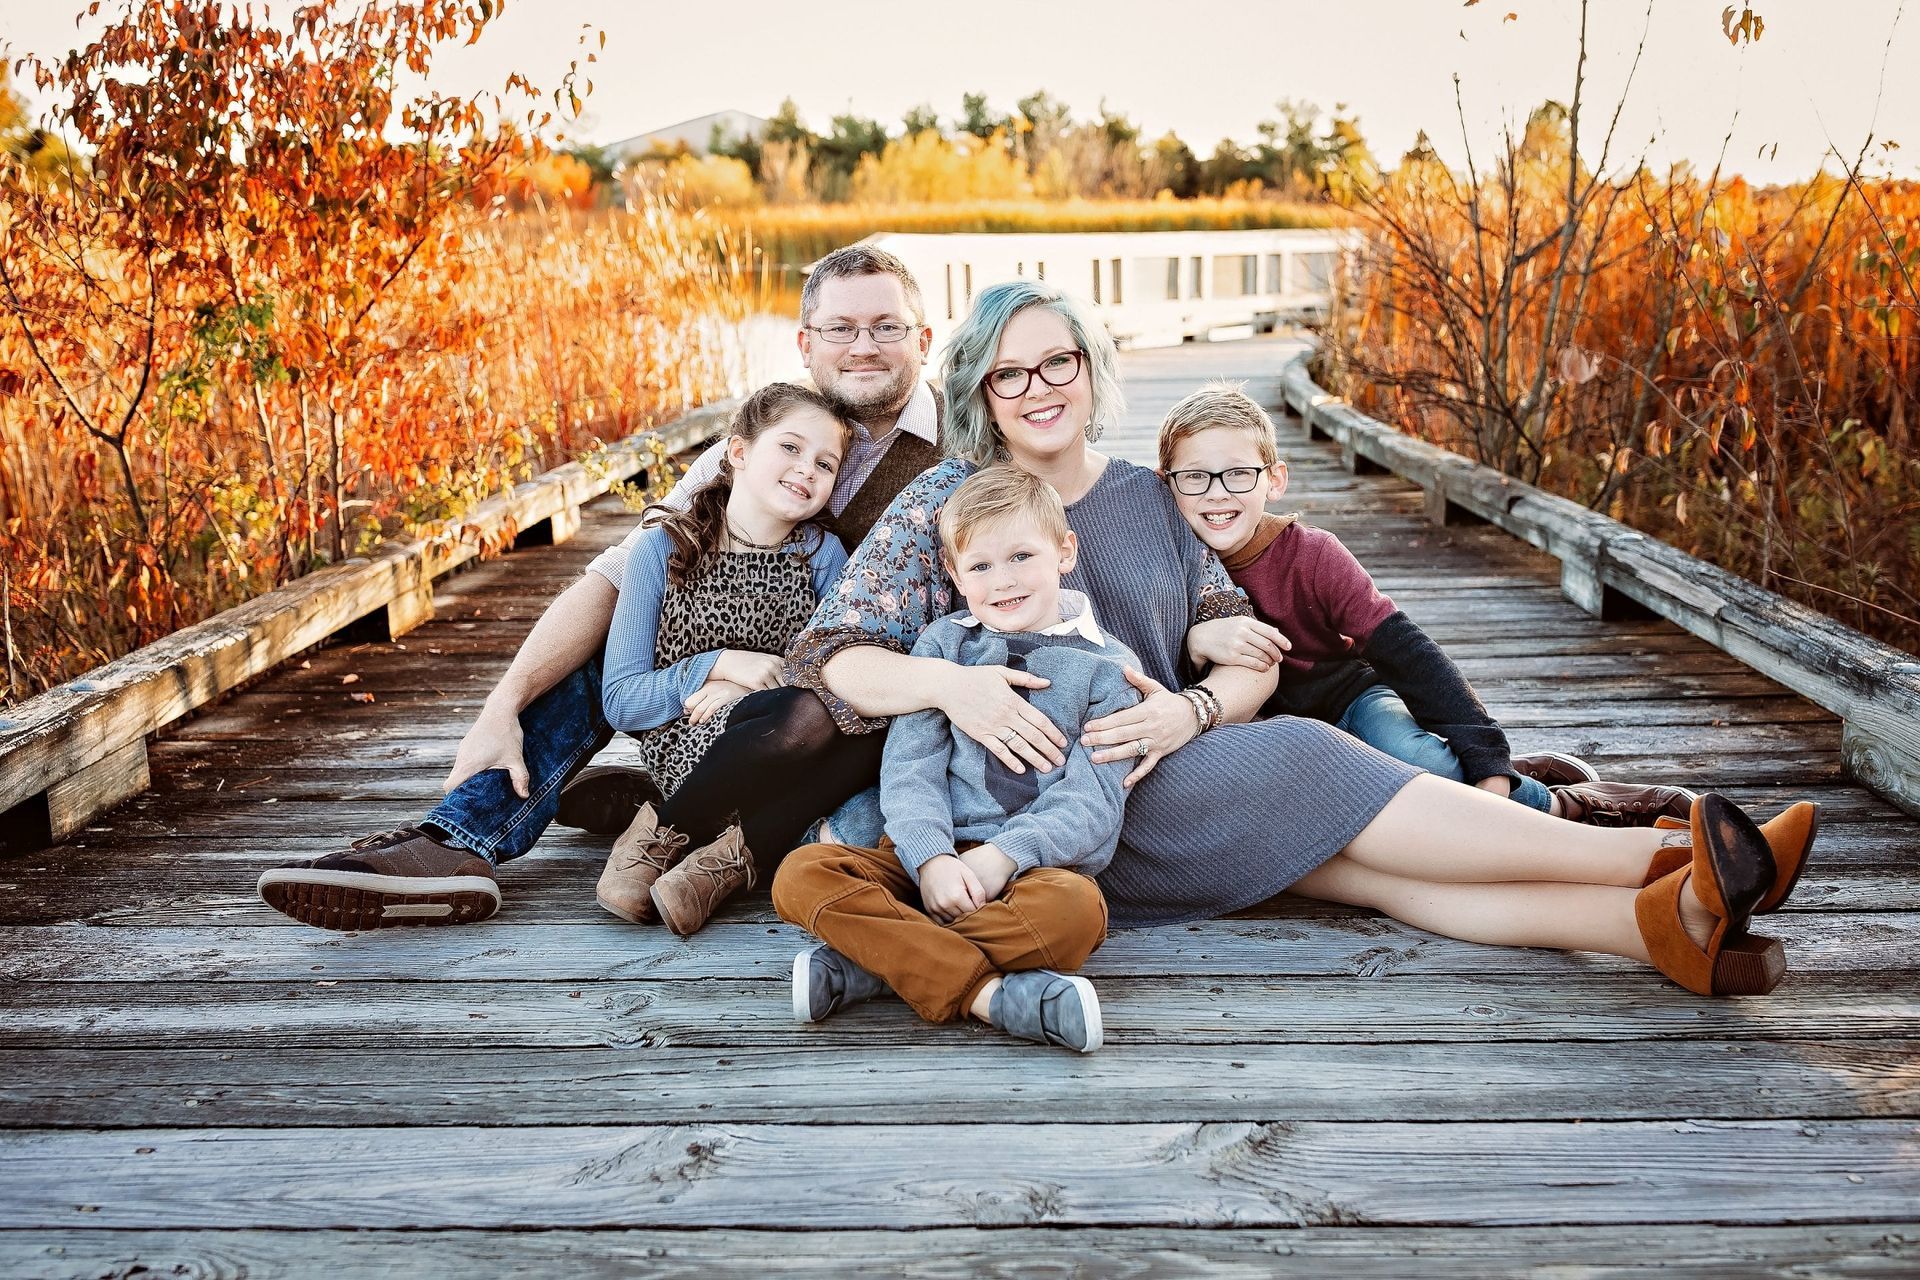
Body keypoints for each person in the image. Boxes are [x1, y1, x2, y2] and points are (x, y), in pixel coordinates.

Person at [782, 277, 1823, 998]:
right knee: (1317, 754)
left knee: (1373, 875)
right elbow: (831, 656)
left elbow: (1246, 651)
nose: (1039, 386)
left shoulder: (1154, 496)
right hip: (1044, 808)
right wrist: (953, 690)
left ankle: (1667, 928)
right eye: (1009, 373)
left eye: (1059, 360)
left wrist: (1187, 708)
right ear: (979, 390)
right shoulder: (944, 502)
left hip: (1163, 766)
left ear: (1092, 369)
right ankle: (1674, 853)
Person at [254, 245, 943, 931]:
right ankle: (459, 841)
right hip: (720, 690)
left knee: (851, 803)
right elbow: (619, 575)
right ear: (805, 342)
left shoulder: (959, 454)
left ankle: (693, 811)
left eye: (887, 326)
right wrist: (505, 701)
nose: (864, 347)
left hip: (856, 708)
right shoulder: (757, 443)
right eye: (839, 329)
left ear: (923, 338)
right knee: (607, 644)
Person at [1155, 381, 1698, 825]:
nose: (1217, 493)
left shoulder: (1312, 554)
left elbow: (1406, 650)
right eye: (1195, 478)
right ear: (1165, 485)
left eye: (1238, 474)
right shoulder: (1161, 568)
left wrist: (1486, 754)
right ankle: (1479, 767)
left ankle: (1568, 805)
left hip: (1352, 700)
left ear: (1274, 480)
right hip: (1274, 730)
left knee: (1412, 759)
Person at [775, 466, 1138, 1053]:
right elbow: (910, 770)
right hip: (921, 860)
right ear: (954, 574)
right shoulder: (945, 648)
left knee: (1077, 914)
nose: (1004, 581)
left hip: (1028, 873)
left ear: (1065, 551)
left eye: (1022, 555)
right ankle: (988, 996)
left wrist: (1005, 855)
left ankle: (878, 963)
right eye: (981, 566)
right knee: (801, 875)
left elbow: (1092, 800)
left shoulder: (1108, 668)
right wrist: (930, 859)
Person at [591, 384, 850, 936]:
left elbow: (832, 667)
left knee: (851, 721)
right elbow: (620, 701)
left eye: (825, 463)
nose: (807, 469)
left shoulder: (822, 556)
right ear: (739, 453)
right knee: (803, 722)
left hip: (790, 732)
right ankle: (672, 827)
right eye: (790, 448)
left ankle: (716, 864)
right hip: (693, 742)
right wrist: (715, 665)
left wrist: (752, 689)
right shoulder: (663, 549)